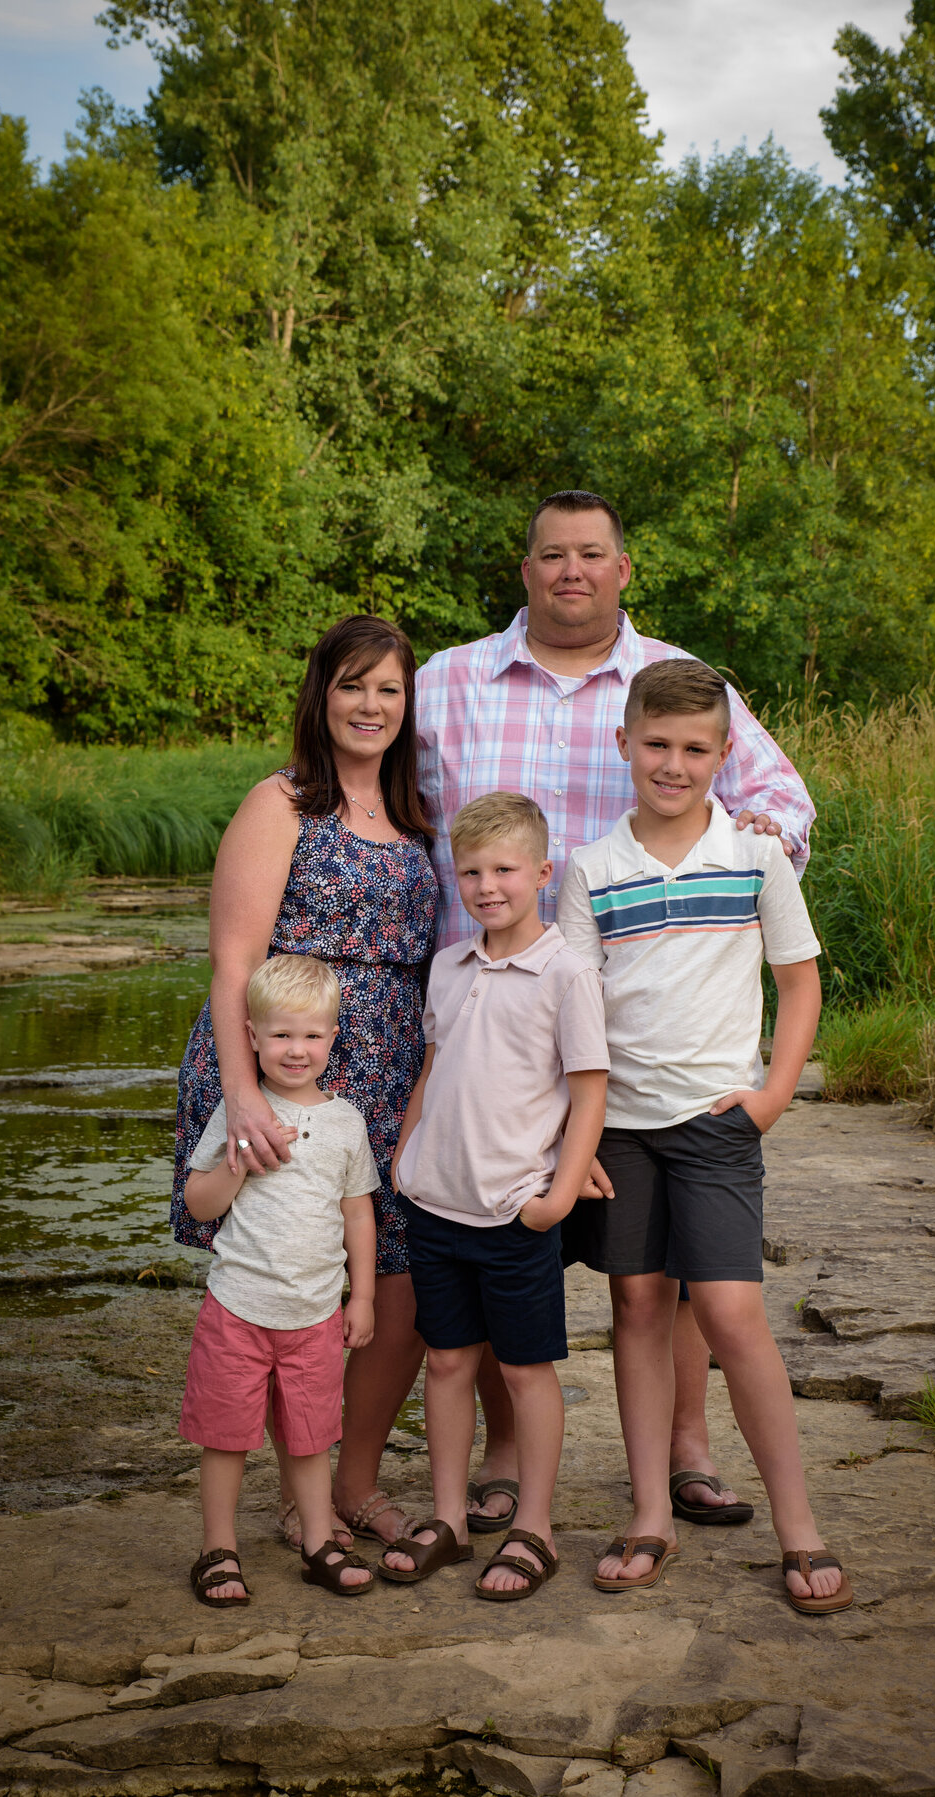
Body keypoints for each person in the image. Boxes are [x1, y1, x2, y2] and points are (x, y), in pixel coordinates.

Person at [414, 489, 816, 1531]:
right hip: (497, 1008)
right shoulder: (446, 682)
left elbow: (780, 799)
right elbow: (377, 782)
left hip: (645, 1026)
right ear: (527, 569)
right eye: (552, 555)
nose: (572, 572)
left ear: (624, 568)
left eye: (593, 554)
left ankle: (686, 1447)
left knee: (666, 1272)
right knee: (515, 1225)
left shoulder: (671, 683)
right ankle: (507, 1445)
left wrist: (738, 862)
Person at [557, 658, 852, 1613]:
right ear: (624, 747)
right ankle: (650, 1514)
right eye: (656, 745)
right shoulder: (591, 870)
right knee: (639, 1305)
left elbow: (799, 982)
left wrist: (773, 1096)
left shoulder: (755, 855)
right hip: (622, 1131)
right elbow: (570, 1014)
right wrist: (580, 1135)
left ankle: (798, 1523)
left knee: (729, 1313)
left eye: (694, 749)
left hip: (717, 1124)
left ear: (725, 756)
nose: (673, 764)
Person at [171, 615, 438, 1557]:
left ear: (408, 707)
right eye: (352, 685)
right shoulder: (281, 802)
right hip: (286, 1068)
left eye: (389, 690)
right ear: (320, 694)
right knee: (287, 1275)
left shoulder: (418, 817)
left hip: (386, 1078)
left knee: (395, 1285)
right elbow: (235, 959)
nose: (371, 705)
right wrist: (241, 1096)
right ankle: (299, 1499)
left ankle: (346, 1483)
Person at [379, 793, 609, 1599]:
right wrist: (405, 1155)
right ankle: (446, 1516)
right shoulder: (450, 963)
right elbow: (435, 1067)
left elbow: (589, 1092)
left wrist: (556, 1196)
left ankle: (534, 1528)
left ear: (543, 873)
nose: (486, 885)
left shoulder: (568, 973)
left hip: (514, 1210)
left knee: (524, 1371)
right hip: (434, 1203)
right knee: (445, 1362)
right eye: (470, 871)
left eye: (505, 869)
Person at [181, 954, 378, 1603]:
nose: (298, 1049)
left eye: (312, 1034)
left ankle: (319, 1540)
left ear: (332, 1036)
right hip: (237, 1307)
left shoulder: (346, 1121)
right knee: (227, 1435)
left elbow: (358, 1213)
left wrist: (364, 1295)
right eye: (282, 1035)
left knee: (311, 1434)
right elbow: (199, 1202)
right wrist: (239, 1160)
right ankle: (218, 1548)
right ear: (253, 1036)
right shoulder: (239, 1113)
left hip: (315, 1313)